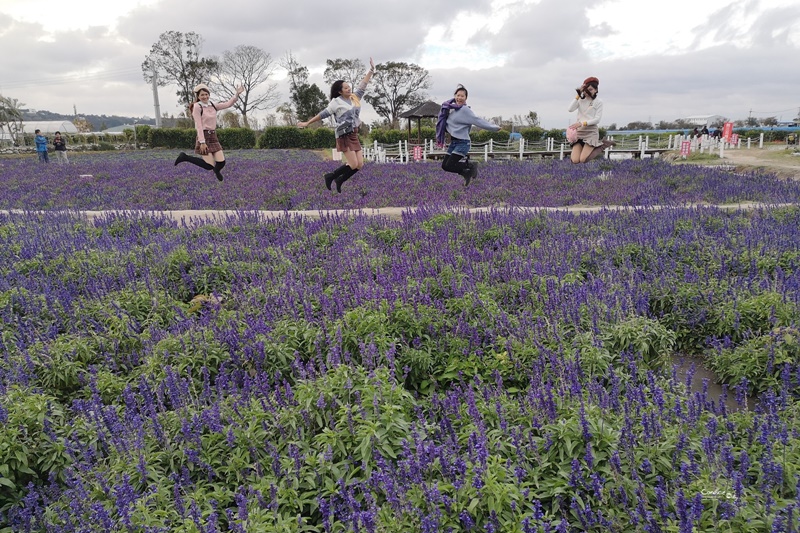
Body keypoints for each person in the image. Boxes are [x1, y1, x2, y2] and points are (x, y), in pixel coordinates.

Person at [297, 58, 375, 193]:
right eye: (345, 88)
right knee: (353, 164)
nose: (349, 88)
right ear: (340, 91)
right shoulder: (336, 102)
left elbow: (363, 84)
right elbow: (323, 114)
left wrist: (371, 70)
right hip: (344, 135)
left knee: (360, 164)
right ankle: (331, 176)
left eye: (349, 86)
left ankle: (338, 180)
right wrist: (307, 123)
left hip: (354, 134)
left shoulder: (354, 97)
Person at [175, 83, 243, 181]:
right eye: (202, 95)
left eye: (206, 94)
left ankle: (217, 171)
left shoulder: (212, 105)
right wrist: (202, 142)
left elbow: (228, 104)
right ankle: (185, 157)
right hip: (204, 136)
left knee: (221, 162)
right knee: (209, 165)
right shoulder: (197, 107)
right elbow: (198, 125)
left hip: (213, 136)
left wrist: (237, 94)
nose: (205, 96)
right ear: (198, 96)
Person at [435, 84, 501, 187]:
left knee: (450, 164)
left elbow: (477, 120)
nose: (459, 98)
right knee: (445, 166)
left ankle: (470, 165)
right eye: (458, 95)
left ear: (466, 98)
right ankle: (466, 172)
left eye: (462, 96)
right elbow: (446, 123)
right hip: (454, 142)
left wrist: (493, 128)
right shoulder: (450, 109)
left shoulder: (465, 110)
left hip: (463, 142)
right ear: (454, 96)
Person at [568, 77, 612, 164]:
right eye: (586, 89)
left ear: (596, 90)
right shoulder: (581, 100)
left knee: (583, 160)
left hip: (591, 132)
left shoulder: (598, 102)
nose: (588, 92)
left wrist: (582, 123)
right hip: (580, 132)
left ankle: (602, 145)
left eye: (590, 89)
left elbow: (597, 119)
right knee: (575, 160)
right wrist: (578, 95)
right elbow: (570, 109)